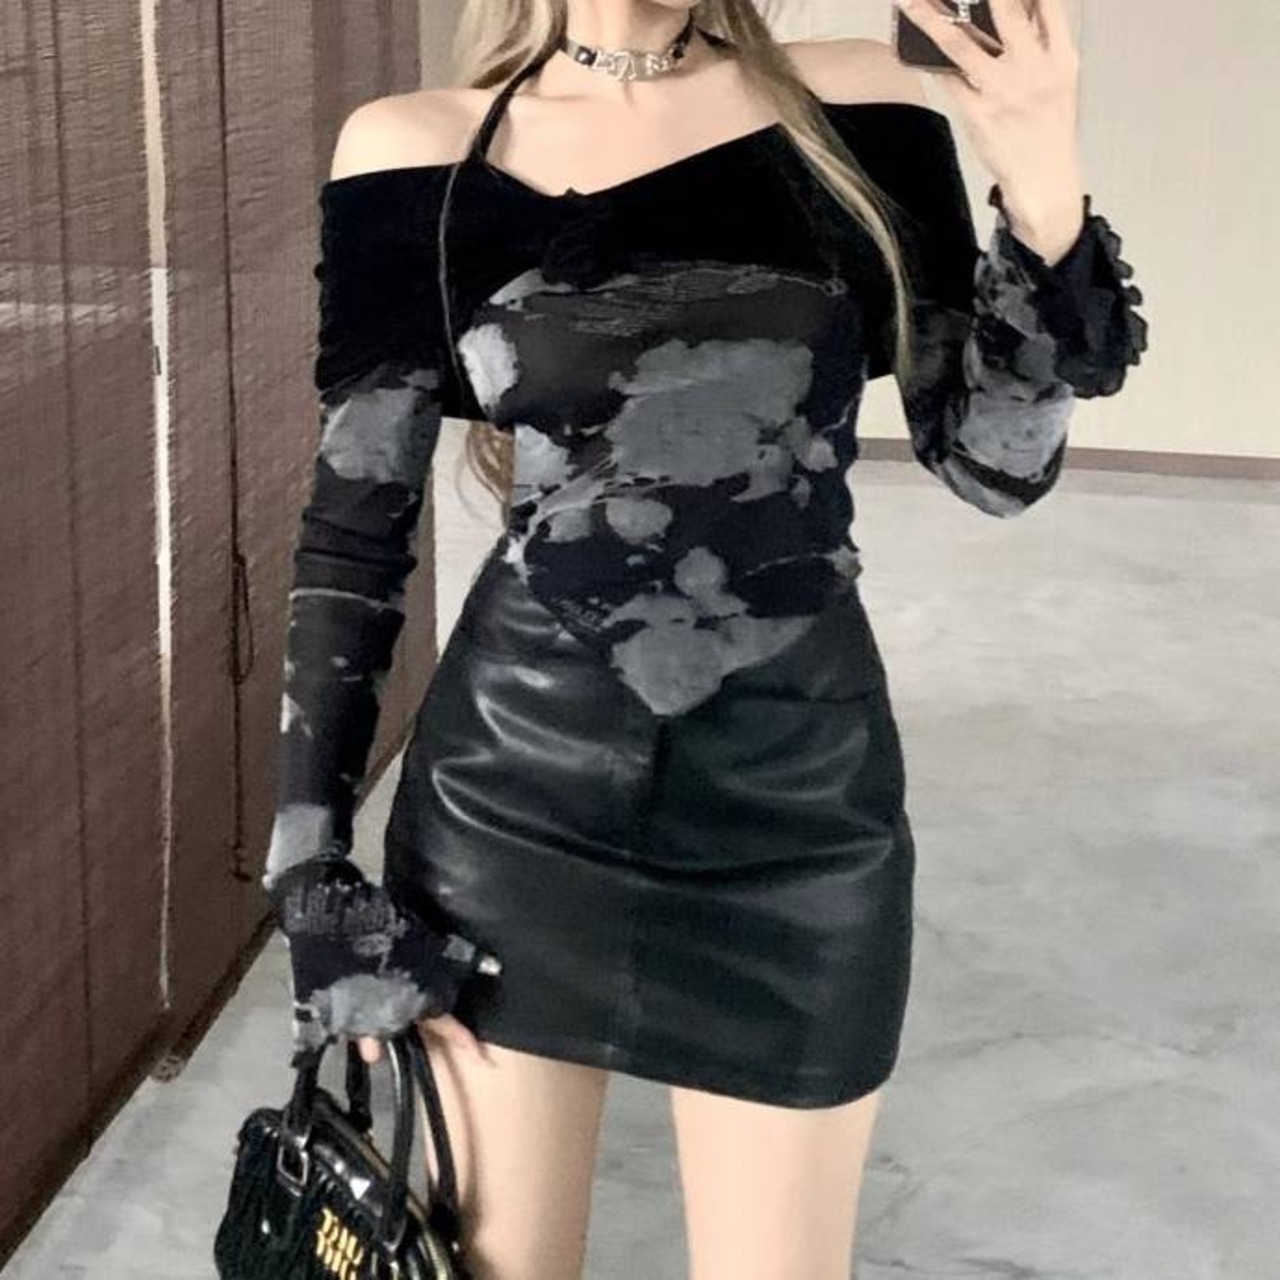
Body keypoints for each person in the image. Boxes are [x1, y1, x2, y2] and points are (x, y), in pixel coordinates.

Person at [261, 2, 1147, 1276]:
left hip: (799, 810)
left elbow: (996, 465)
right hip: (511, 808)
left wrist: (1039, 173)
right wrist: (308, 869)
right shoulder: (416, 151)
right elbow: (355, 532)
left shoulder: (851, 107)